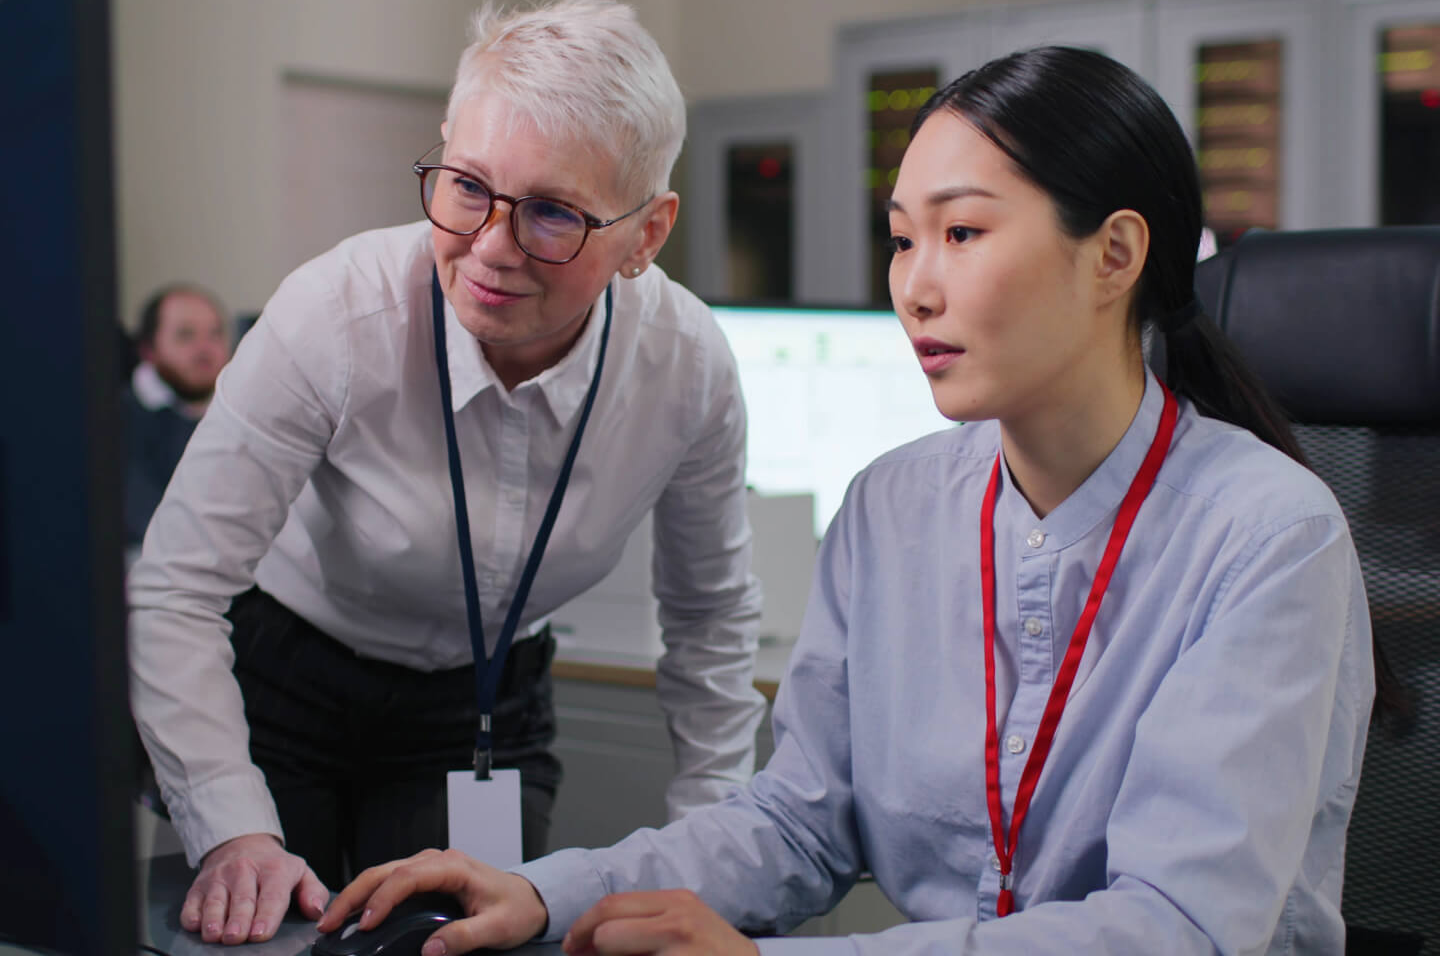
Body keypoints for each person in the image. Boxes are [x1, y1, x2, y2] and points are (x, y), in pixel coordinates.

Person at [319, 47, 1377, 956]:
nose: (914, 284)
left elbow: (1178, 930)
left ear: (1114, 255)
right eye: (903, 237)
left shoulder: (1265, 538)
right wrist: (551, 893)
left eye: (962, 235)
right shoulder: (891, 509)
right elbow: (798, 821)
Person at [127, 0, 767, 946]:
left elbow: (711, 624)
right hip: (282, 689)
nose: (493, 250)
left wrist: (709, 853)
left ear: (648, 233)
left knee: (461, 940)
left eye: (553, 212)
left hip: (483, 706)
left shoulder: (687, 367)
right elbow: (175, 588)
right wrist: (232, 828)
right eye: (468, 186)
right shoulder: (332, 317)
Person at [121, 283, 230, 549]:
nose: (205, 349)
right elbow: (150, 524)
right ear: (148, 350)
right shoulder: (117, 421)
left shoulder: (243, 408)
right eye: (185, 335)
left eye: (215, 334)